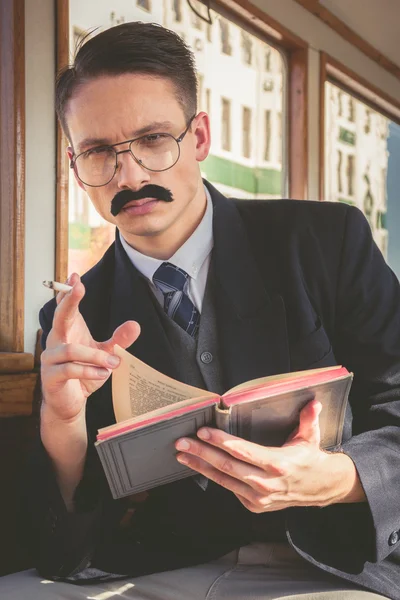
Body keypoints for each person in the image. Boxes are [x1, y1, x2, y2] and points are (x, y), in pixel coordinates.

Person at [2, 21, 400, 600]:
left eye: (154, 140)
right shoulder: (71, 315)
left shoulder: (326, 239)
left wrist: (340, 479)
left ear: (201, 137)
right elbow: (60, 543)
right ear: (74, 165)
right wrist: (62, 430)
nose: (131, 175)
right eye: (97, 152)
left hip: (334, 561)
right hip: (157, 565)